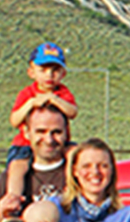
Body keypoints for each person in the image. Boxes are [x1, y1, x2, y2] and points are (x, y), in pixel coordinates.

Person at [5, 42, 78, 212]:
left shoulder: (63, 93)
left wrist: (55, 99)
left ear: (63, 73)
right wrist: (31, 104)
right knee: (17, 166)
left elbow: (73, 112)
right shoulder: (27, 93)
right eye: (43, 70)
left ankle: (71, 187)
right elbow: (15, 120)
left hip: (58, 144)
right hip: (25, 144)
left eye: (55, 70)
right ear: (31, 72)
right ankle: (13, 198)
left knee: (75, 154)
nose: (49, 75)